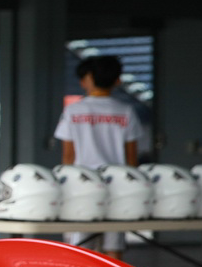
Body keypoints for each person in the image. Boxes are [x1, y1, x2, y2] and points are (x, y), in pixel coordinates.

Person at [55, 53, 139, 256]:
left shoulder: (73, 111)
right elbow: (131, 159)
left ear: (89, 78)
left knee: (81, 248)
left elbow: (68, 156)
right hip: (116, 186)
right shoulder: (126, 111)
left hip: (82, 185)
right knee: (113, 250)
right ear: (118, 80)